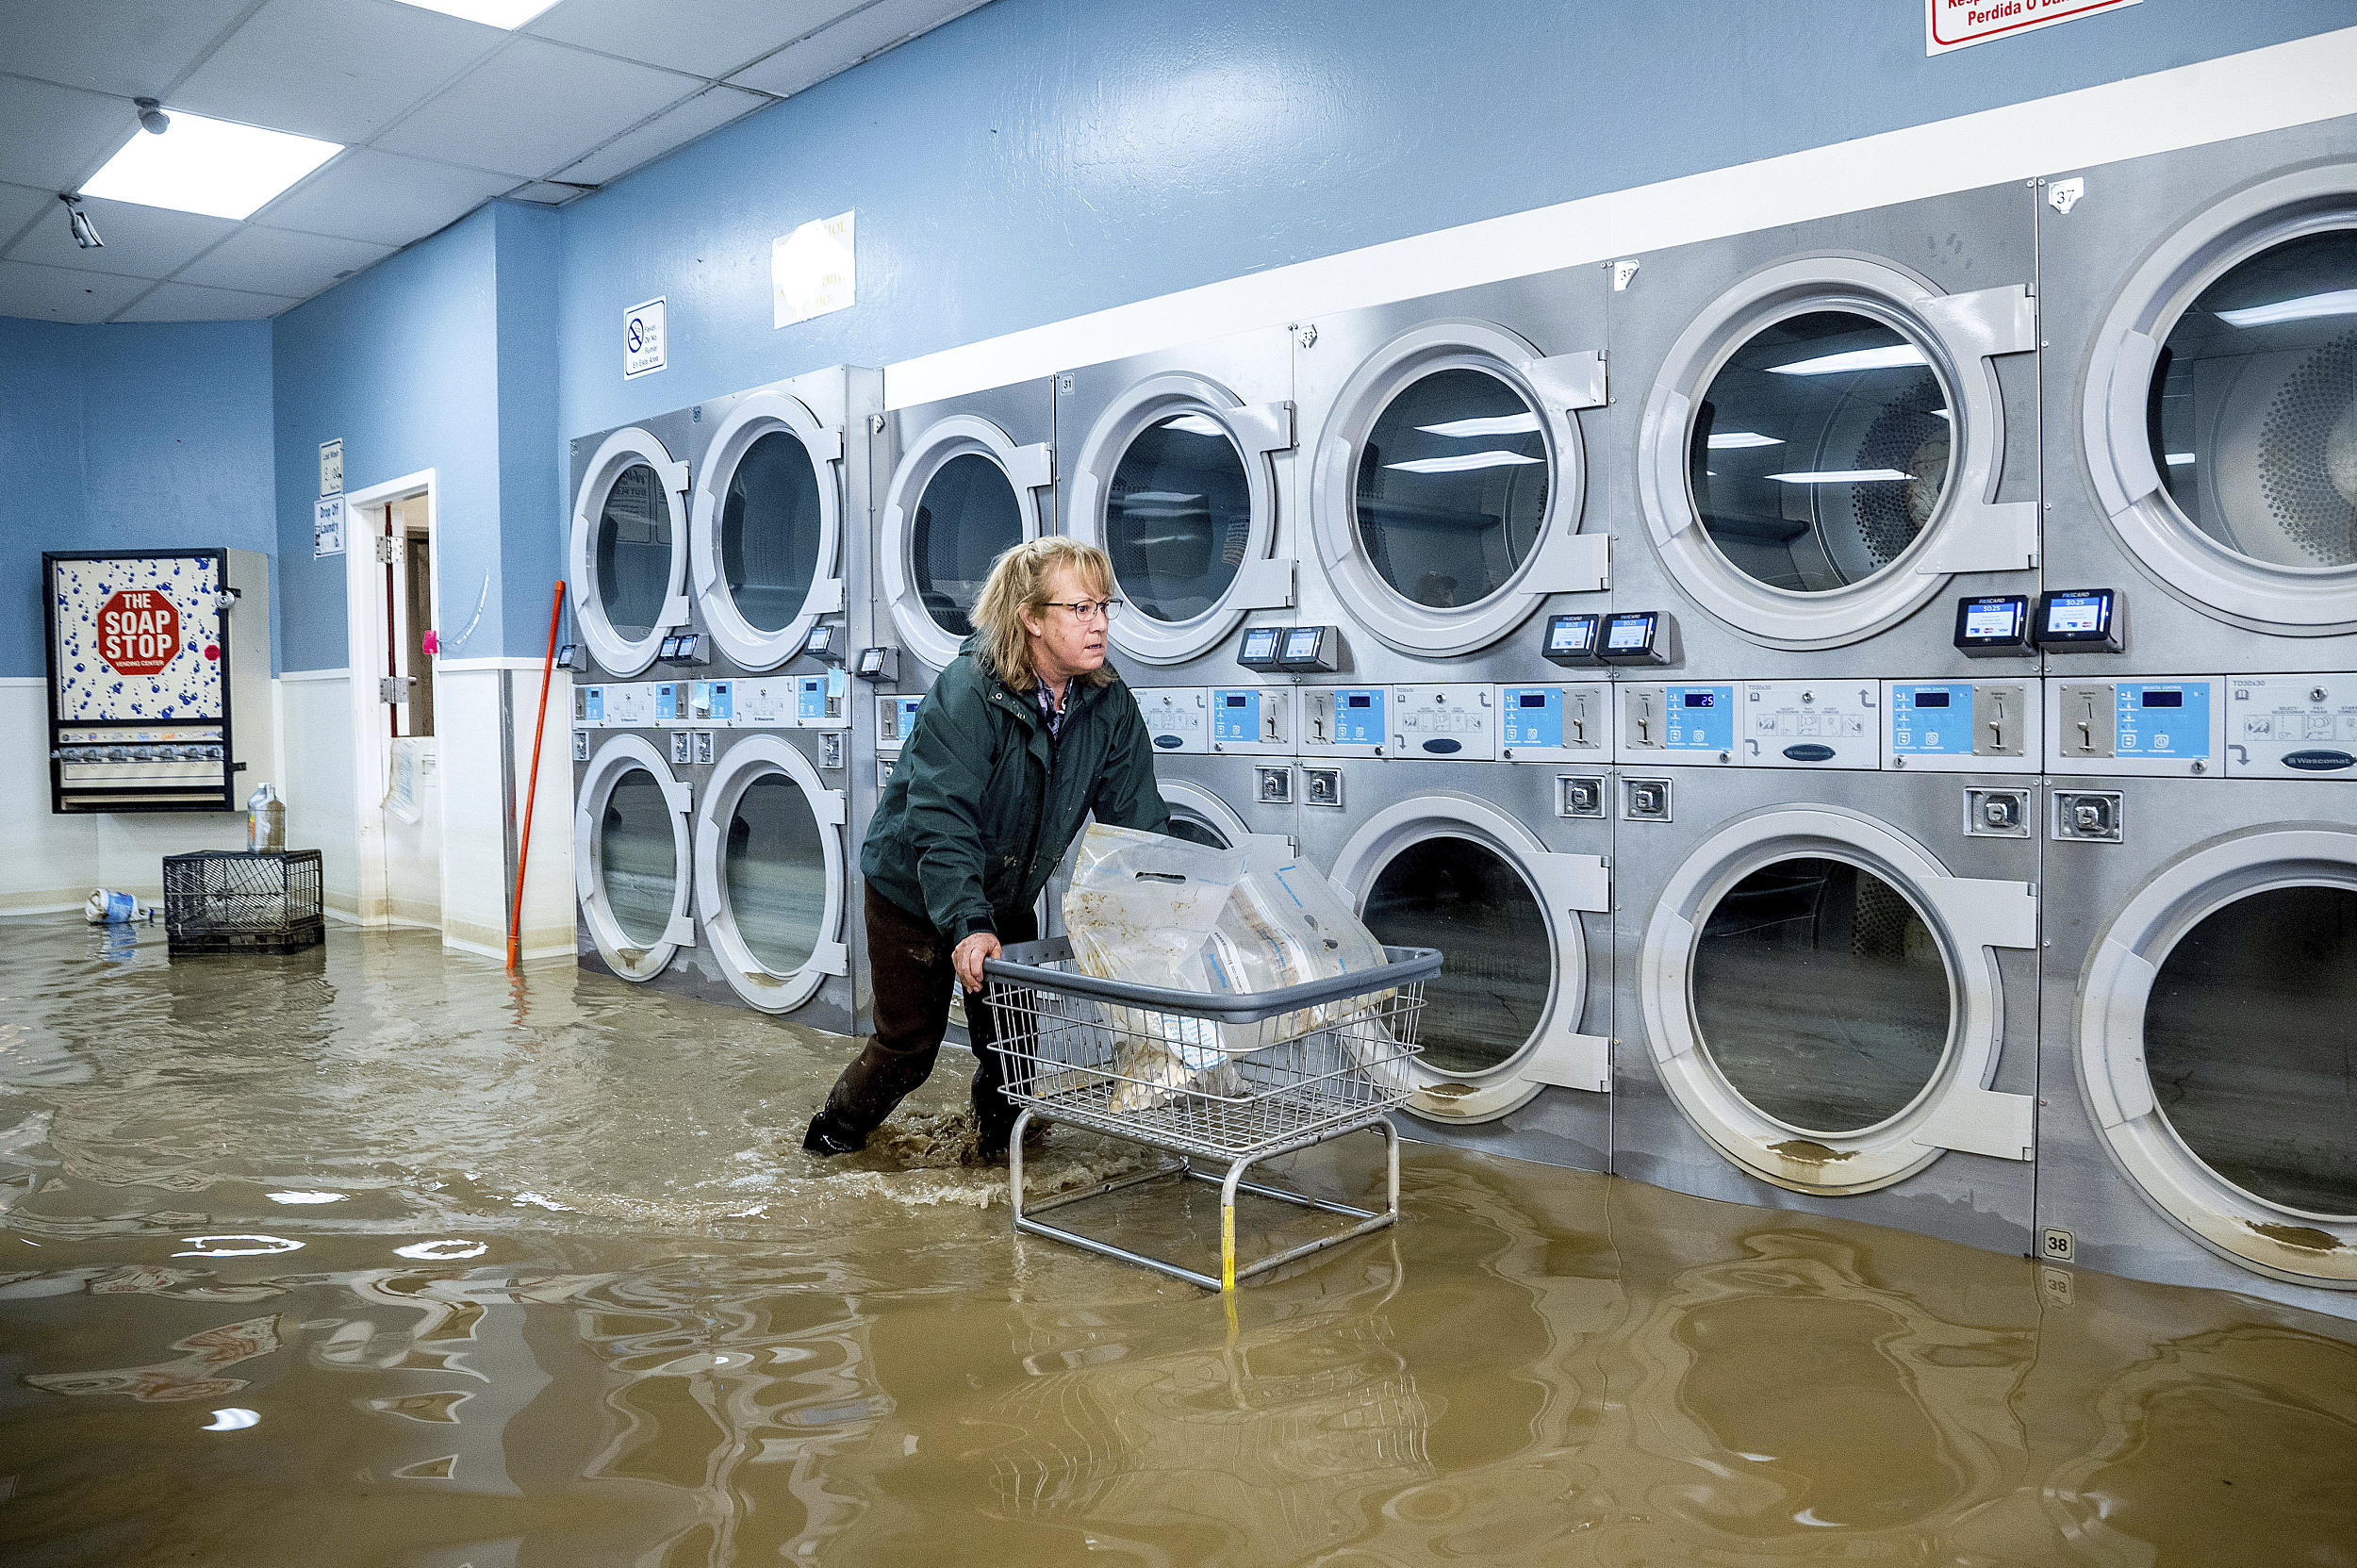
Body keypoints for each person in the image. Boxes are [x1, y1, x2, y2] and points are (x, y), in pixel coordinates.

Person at [803, 537, 1170, 1160]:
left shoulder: (1107, 702)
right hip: (916, 888)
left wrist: (1178, 907)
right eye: (1080, 608)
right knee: (908, 1048)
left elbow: (1138, 828)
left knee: (1013, 1056)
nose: (1101, 623)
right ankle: (830, 1142)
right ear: (1031, 616)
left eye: (1104, 606)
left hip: (1005, 890)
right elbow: (942, 818)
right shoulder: (971, 691)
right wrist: (968, 924)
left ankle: (997, 1166)